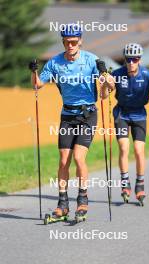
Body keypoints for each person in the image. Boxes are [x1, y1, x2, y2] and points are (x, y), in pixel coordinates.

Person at [29, 24, 99, 222]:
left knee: (78, 157)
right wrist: (34, 71)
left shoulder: (91, 60)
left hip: (87, 115)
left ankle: (83, 199)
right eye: (67, 42)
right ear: (63, 42)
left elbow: (106, 83)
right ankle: (62, 204)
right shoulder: (55, 62)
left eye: (74, 41)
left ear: (80, 41)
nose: (70, 45)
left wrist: (107, 79)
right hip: (67, 115)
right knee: (63, 160)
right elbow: (37, 85)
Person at [100, 43, 149, 205]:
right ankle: (125, 183)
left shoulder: (147, 75)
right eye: (128, 59)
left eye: (134, 59)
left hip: (139, 115)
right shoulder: (118, 74)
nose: (131, 63)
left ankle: (140, 184)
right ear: (125, 59)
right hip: (121, 113)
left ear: (139, 60)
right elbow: (104, 96)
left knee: (138, 150)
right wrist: (105, 83)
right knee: (124, 147)